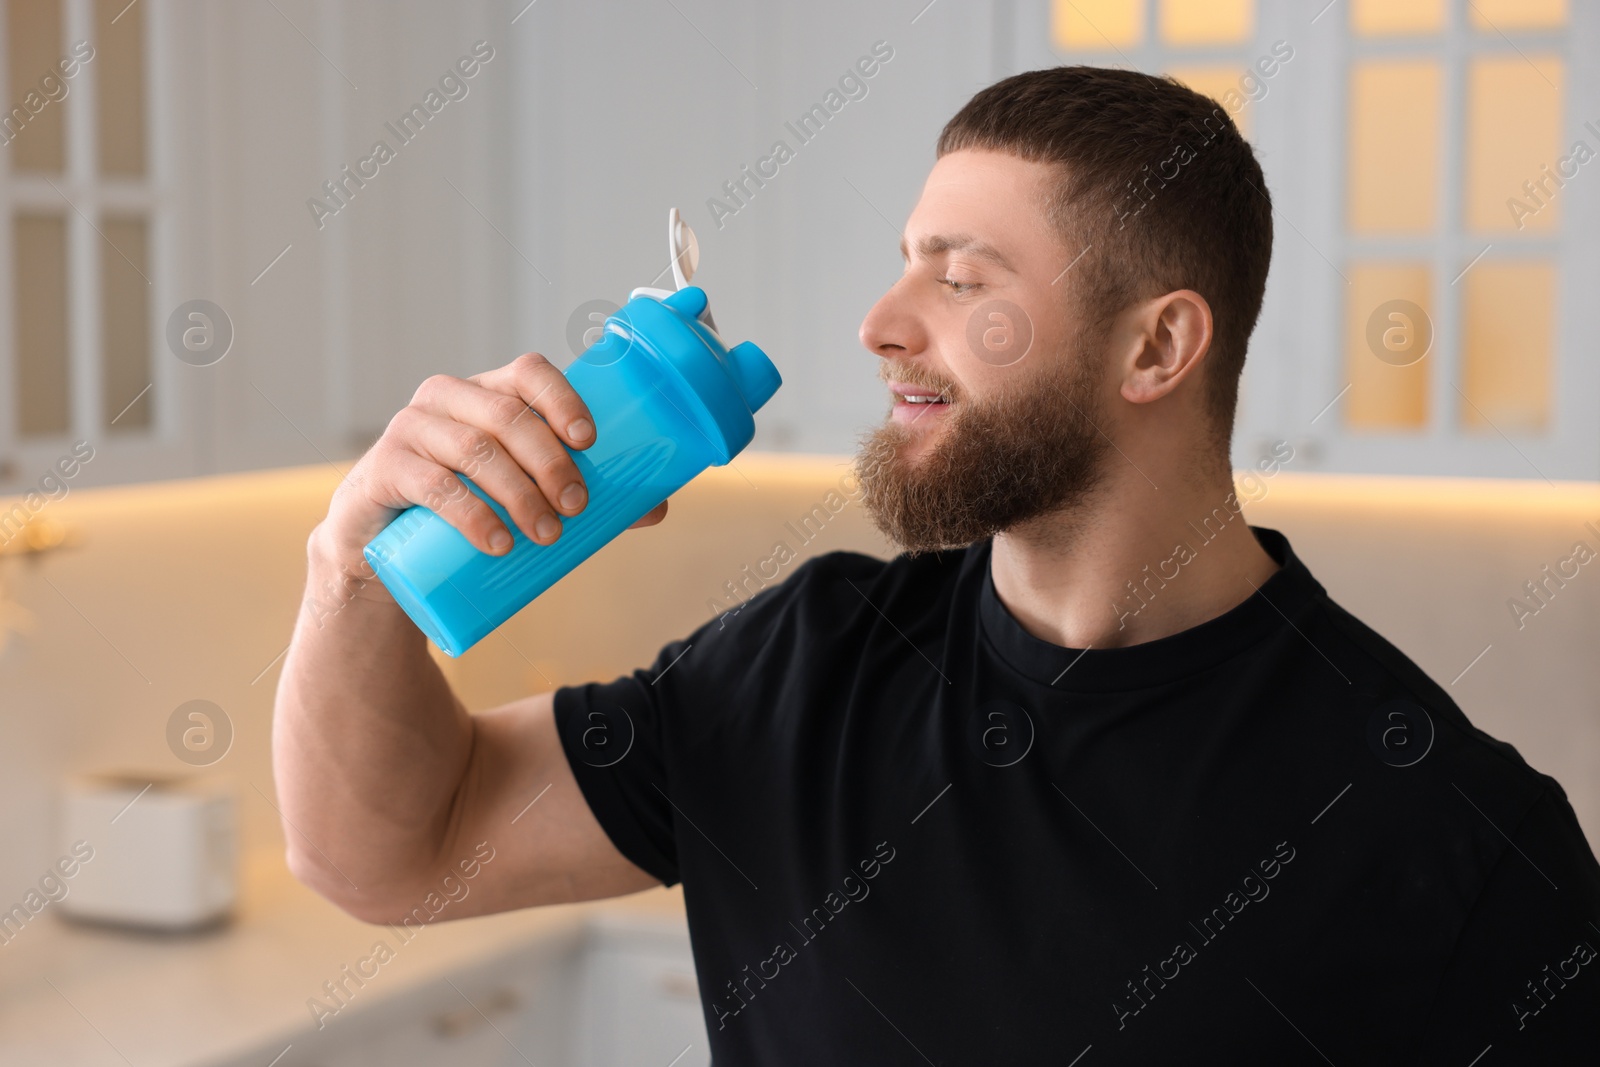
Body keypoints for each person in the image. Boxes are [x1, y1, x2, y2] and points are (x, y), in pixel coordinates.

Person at [273, 66, 1600, 1063]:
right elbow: (393, 851)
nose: (880, 324)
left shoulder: (1448, 837)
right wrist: (353, 571)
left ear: (1156, 350)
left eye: (960, 282)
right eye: (908, 263)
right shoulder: (803, 668)